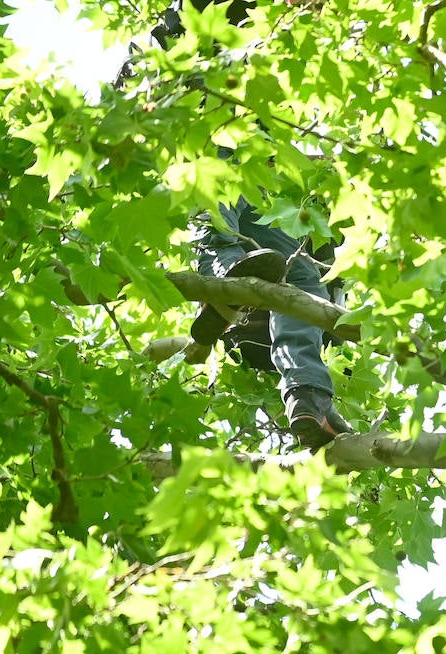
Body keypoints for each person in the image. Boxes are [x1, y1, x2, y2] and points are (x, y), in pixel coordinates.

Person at [150, 0, 350, 449]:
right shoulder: (190, 21)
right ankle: (225, 275)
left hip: (255, 143)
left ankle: (308, 395)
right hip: (199, 114)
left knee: (303, 277)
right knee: (217, 193)